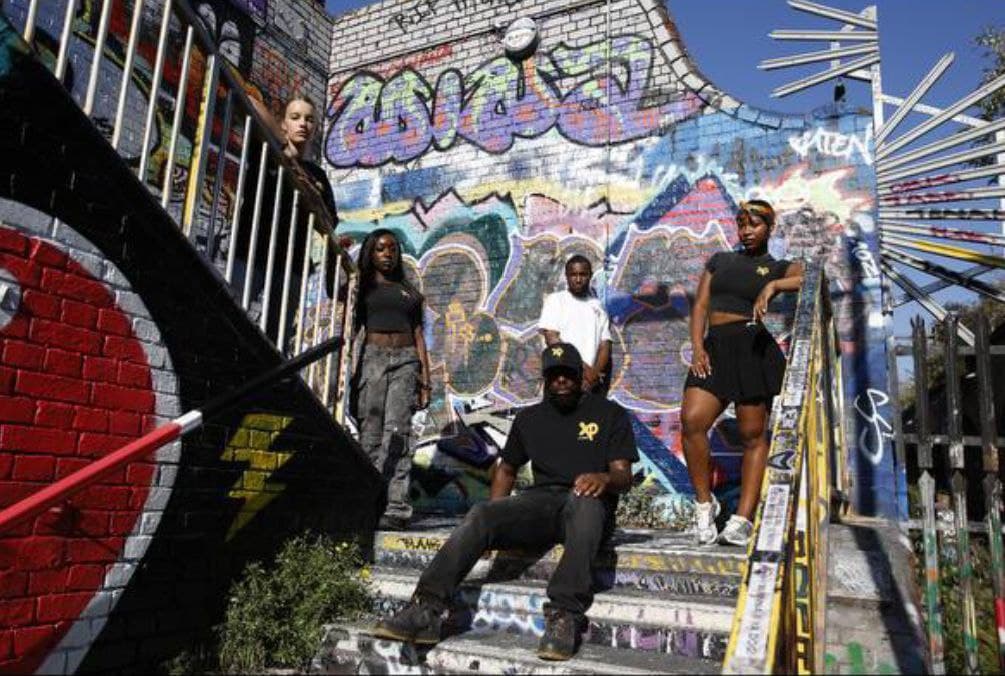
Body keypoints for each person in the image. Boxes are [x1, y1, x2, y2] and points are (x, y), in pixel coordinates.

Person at [372, 342, 637, 661]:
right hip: (543, 503)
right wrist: (495, 521)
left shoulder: (609, 414)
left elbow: (624, 476)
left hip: (590, 505)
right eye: (554, 375)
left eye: (567, 374)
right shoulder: (530, 419)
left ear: (580, 376)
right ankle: (426, 609)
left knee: (585, 502)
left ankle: (564, 614)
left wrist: (604, 478)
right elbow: (507, 469)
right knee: (483, 512)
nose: (561, 381)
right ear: (545, 380)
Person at [681, 200, 803, 547]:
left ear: (769, 228)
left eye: (755, 225)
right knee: (692, 421)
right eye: (742, 225)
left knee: (753, 434)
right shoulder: (721, 261)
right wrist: (697, 346)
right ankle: (705, 506)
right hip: (715, 347)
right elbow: (701, 305)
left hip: (751, 349)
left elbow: (810, 276)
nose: (747, 232)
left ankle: (743, 518)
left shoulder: (776, 266)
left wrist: (775, 286)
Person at [232, 95, 341, 345]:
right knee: (232, 316)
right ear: (283, 124)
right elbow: (249, 100)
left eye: (309, 119)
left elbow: (329, 222)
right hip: (249, 252)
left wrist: (310, 189)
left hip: (291, 265)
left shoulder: (318, 175)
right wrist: (283, 150)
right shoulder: (265, 150)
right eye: (295, 117)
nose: (303, 123)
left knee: (277, 336)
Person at [352, 229, 431, 531]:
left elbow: (420, 336)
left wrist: (426, 379)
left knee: (398, 432)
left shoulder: (410, 293)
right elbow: (340, 301)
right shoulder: (363, 287)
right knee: (370, 433)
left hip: (406, 361)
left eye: (393, 249)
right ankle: (368, 503)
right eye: (381, 248)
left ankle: (397, 508)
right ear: (371, 253)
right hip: (372, 360)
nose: (388, 253)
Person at [538, 255, 613, 394]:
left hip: (589, 385)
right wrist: (583, 369)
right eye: (573, 275)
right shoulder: (556, 300)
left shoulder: (597, 306)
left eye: (583, 274)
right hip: (561, 381)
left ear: (590, 276)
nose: (578, 279)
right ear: (566, 276)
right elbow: (552, 339)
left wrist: (593, 375)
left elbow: (605, 346)